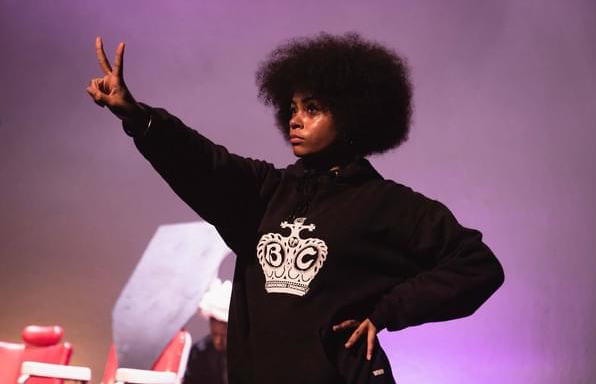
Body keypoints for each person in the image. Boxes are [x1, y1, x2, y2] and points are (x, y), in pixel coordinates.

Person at [87, 32, 504, 384]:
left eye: (312, 109)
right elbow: (201, 162)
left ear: (353, 117)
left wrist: (387, 311)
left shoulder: (388, 205)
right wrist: (137, 117)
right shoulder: (266, 192)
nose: (295, 120)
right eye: (292, 109)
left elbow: (477, 265)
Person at [184, 278, 232, 384]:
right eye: (215, 334)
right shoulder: (200, 352)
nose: (218, 341)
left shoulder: (247, 352)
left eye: (224, 335)